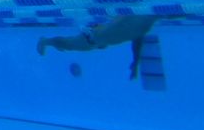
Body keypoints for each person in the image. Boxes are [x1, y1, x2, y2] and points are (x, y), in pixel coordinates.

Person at [35, 14, 168, 80]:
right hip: (93, 36)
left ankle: (47, 41)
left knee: (71, 44)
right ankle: (45, 41)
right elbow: (115, 19)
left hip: (100, 41)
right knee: (70, 44)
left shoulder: (145, 26)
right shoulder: (133, 16)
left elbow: (137, 42)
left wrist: (135, 62)